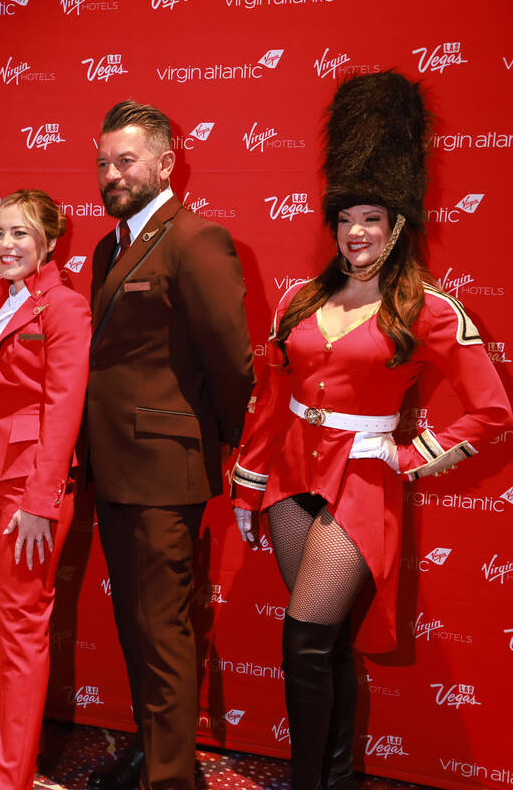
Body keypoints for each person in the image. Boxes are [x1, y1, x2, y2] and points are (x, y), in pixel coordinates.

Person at [229, 71, 513, 790]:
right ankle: (333, 777)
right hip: (291, 475)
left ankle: (307, 784)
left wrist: (412, 450)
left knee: (303, 641)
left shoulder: (430, 309)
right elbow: (271, 393)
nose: (357, 233)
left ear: (397, 227)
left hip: (361, 481)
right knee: (323, 646)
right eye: (347, 218)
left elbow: (493, 410)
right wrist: (249, 480)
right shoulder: (299, 298)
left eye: (373, 220)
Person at [85, 101, 254, 790]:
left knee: (161, 638)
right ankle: (153, 756)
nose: (112, 174)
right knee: (137, 632)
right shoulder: (106, 248)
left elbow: (232, 365)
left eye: (125, 161)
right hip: (111, 470)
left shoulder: (197, 240)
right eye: (102, 163)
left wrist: (211, 446)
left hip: (164, 475)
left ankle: (172, 781)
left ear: (165, 162)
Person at [0, 190, 90, 790]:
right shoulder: (6, 304)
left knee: (21, 632)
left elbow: (64, 408)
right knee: (0, 626)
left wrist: (42, 500)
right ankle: (8, 763)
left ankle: (7, 779)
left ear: (49, 243)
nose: (6, 246)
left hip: (28, 489)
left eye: (21, 235)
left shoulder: (64, 308)